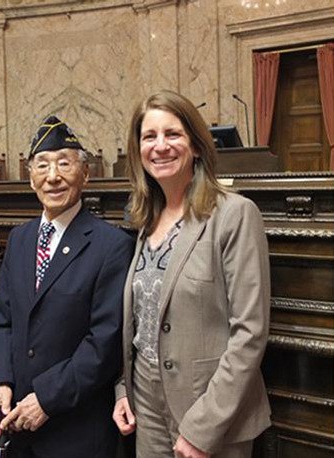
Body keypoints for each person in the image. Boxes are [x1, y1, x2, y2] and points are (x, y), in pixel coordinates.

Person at [113, 90, 271, 458]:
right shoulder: (144, 221)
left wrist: (203, 428)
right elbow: (139, 320)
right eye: (149, 137)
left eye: (173, 134)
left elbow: (250, 332)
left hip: (211, 409)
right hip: (147, 404)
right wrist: (123, 388)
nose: (160, 146)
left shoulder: (235, 215)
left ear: (196, 146)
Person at [0, 116, 135, 458]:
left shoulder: (111, 245)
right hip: (18, 421)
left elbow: (105, 343)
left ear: (85, 174)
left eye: (64, 164)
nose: (53, 176)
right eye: (42, 165)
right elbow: (2, 320)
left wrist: (47, 399)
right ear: (30, 178)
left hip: (76, 427)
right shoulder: (20, 239)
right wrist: (2, 382)